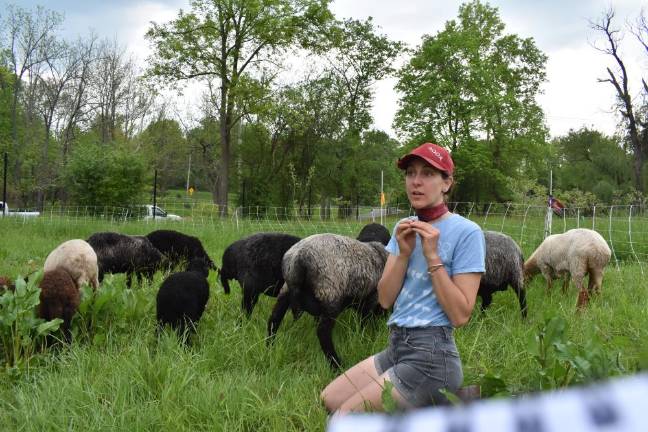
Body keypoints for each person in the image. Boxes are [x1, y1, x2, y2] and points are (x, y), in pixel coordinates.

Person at [321, 142, 486, 413]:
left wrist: (433, 257)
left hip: (432, 355)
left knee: (343, 420)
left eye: (428, 174)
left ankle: (440, 397)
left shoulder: (467, 232)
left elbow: (460, 315)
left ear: (447, 183)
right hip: (398, 346)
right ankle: (438, 407)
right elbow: (385, 300)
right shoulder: (403, 228)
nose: (416, 182)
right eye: (410, 173)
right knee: (329, 400)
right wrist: (403, 254)